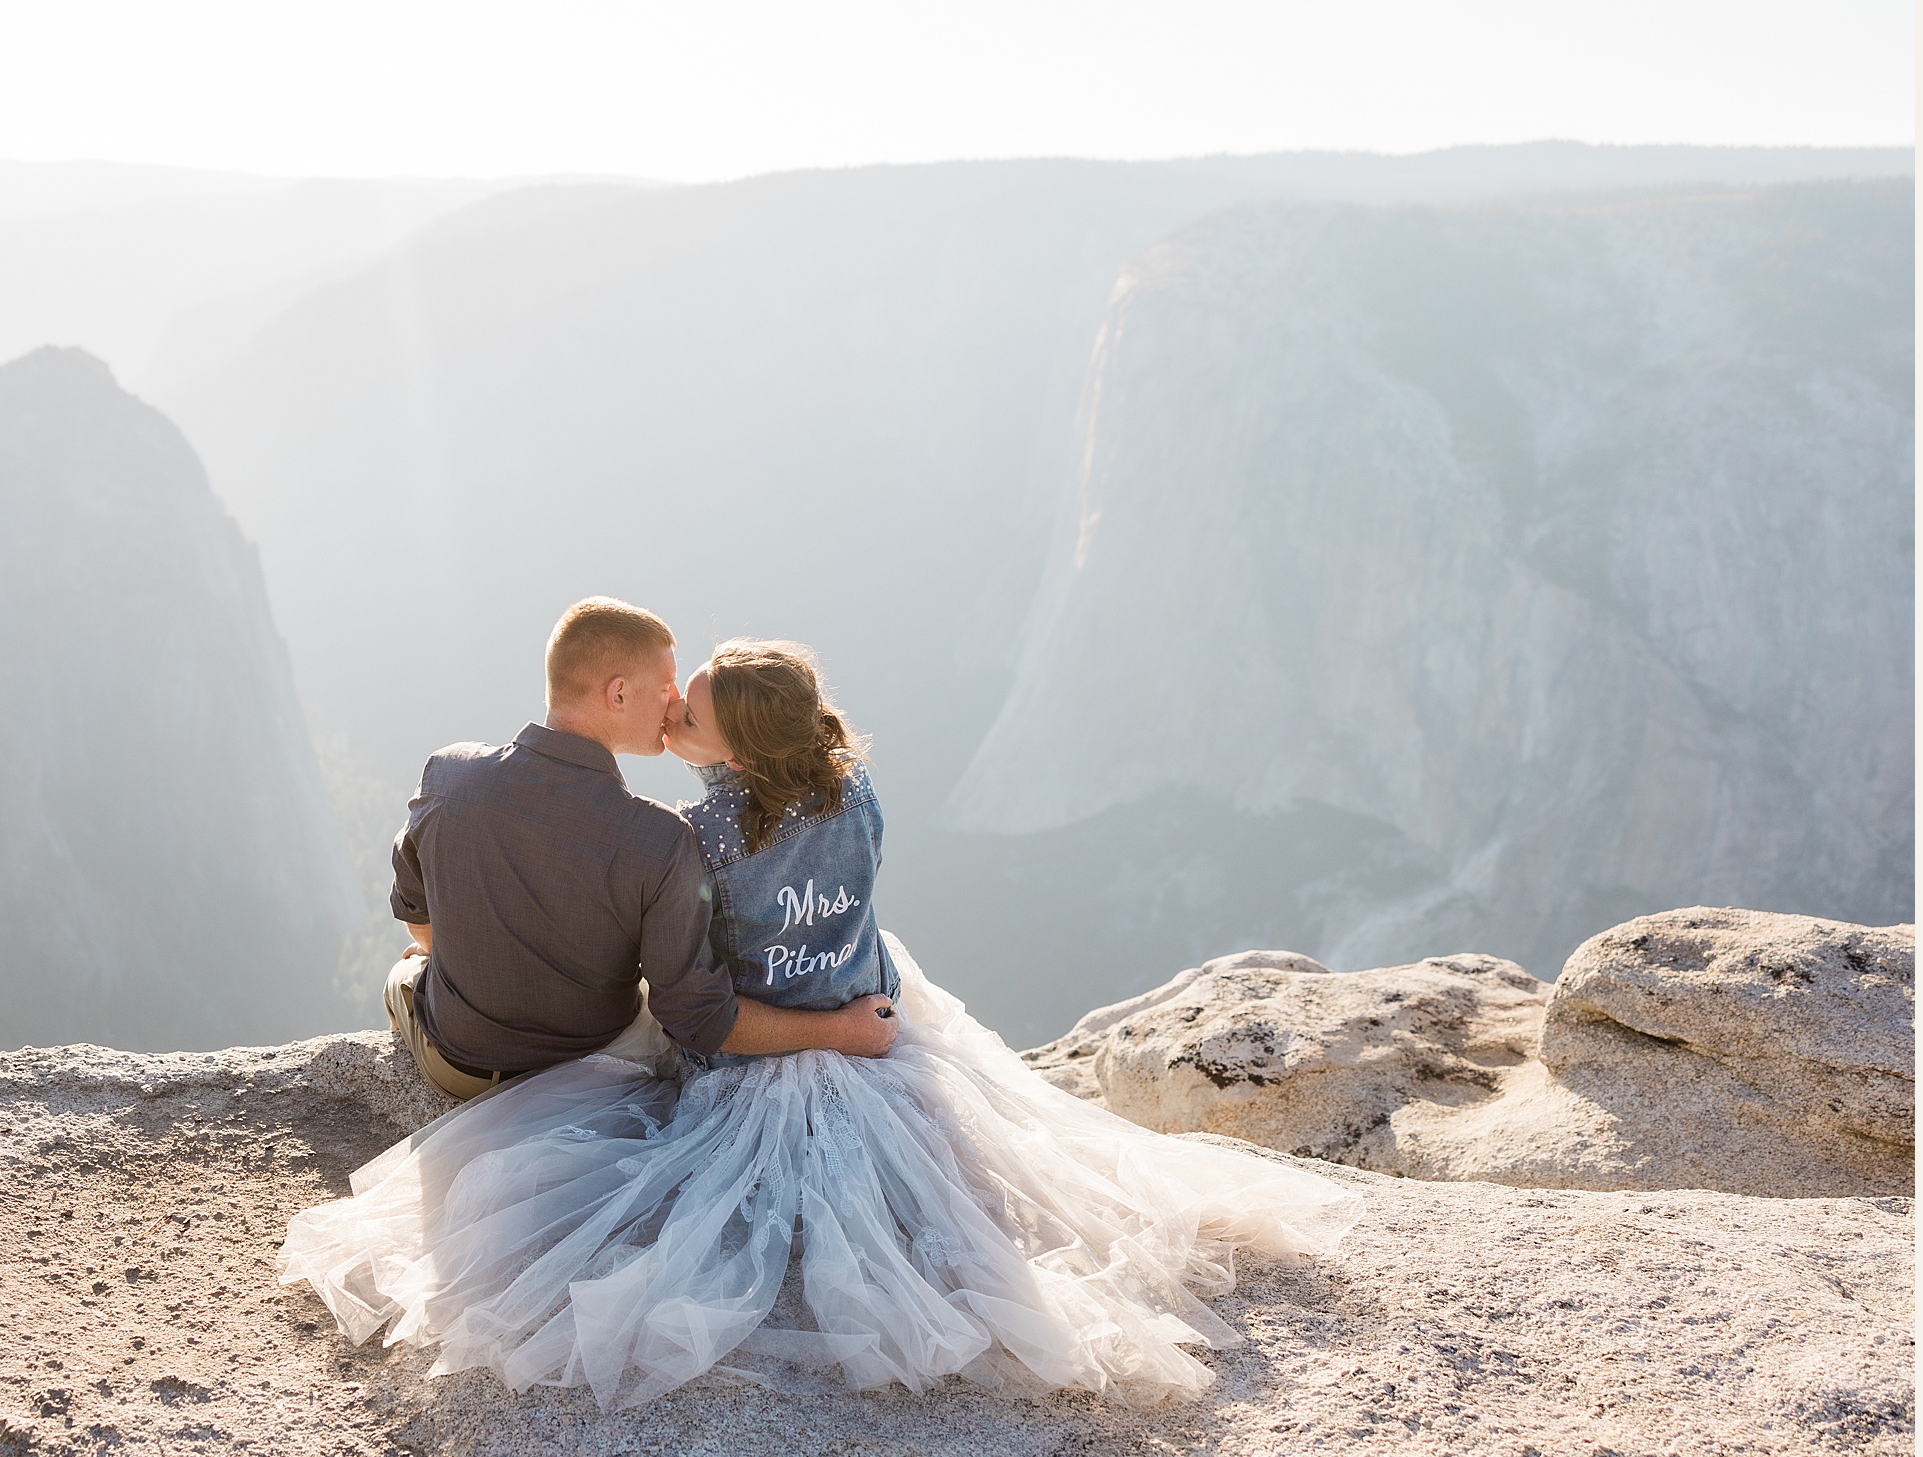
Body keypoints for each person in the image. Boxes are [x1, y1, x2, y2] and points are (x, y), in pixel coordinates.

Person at [280, 634, 1363, 1410]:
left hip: (772, 1042)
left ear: (731, 754)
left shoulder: (691, 839)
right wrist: (844, 1013)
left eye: (686, 710)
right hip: (876, 1014)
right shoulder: (856, 795)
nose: (668, 714)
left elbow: (694, 1004)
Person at [378, 596, 895, 1102]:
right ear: (619, 694)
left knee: (408, 969)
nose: (673, 703)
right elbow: (698, 1014)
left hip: (460, 1064)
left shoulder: (449, 775)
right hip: (595, 1063)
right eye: (668, 686)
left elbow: (414, 908)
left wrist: (458, 956)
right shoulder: (660, 836)